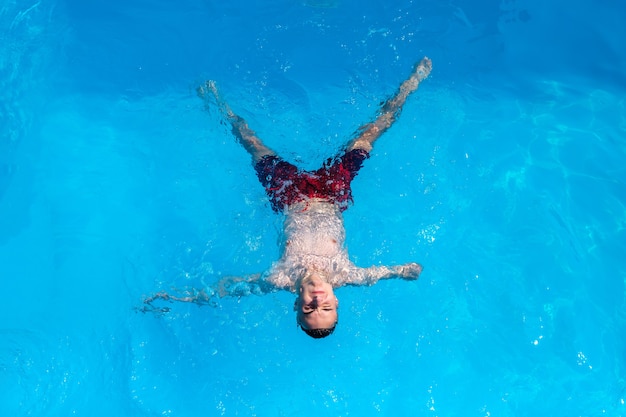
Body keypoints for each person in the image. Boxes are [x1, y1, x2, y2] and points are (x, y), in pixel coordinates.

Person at [143, 57, 432, 339]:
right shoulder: (347, 275)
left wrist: (180, 298)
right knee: (370, 135)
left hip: (288, 194)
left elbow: (227, 289)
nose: (317, 301)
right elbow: (382, 273)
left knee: (251, 143)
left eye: (309, 309)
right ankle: (410, 85)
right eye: (327, 307)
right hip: (332, 193)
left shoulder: (278, 278)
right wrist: (404, 271)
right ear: (336, 300)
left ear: (296, 305)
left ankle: (219, 103)